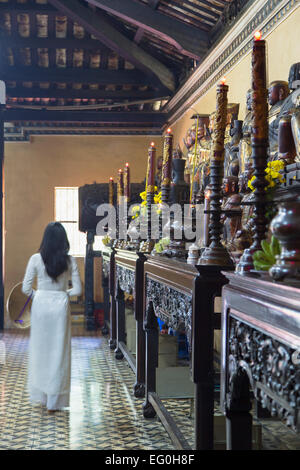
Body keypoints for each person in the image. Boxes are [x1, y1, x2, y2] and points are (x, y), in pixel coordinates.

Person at [22, 222, 82, 412]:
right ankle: (54, 402)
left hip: (41, 306)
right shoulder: (70, 261)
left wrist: (39, 296)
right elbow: (78, 291)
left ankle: (41, 395)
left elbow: (25, 288)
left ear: (45, 240)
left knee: (41, 351)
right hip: (60, 308)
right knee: (59, 352)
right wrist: (63, 294)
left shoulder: (35, 259)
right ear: (63, 240)